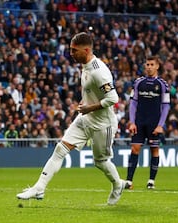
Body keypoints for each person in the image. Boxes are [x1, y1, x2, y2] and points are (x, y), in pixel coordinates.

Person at [16, 32, 125, 205]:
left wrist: (90, 107)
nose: (71, 54)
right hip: (85, 119)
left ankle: (117, 184)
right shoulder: (85, 66)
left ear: (86, 50)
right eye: (70, 50)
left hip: (103, 125)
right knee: (60, 149)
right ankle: (39, 187)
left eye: (74, 50)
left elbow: (113, 99)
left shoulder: (99, 72)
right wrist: (86, 103)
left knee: (101, 162)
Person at [125, 56, 170, 190]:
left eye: (151, 64)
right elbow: (133, 103)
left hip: (154, 123)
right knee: (135, 148)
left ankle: (151, 181)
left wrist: (160, 125)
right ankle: (129, 181)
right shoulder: (138, 82)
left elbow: (166, 106)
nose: (149, 67)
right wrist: (132, 122)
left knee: (154, 150)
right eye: (147, 64)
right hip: (139, 122)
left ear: (157, 66)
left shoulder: (163, 84)